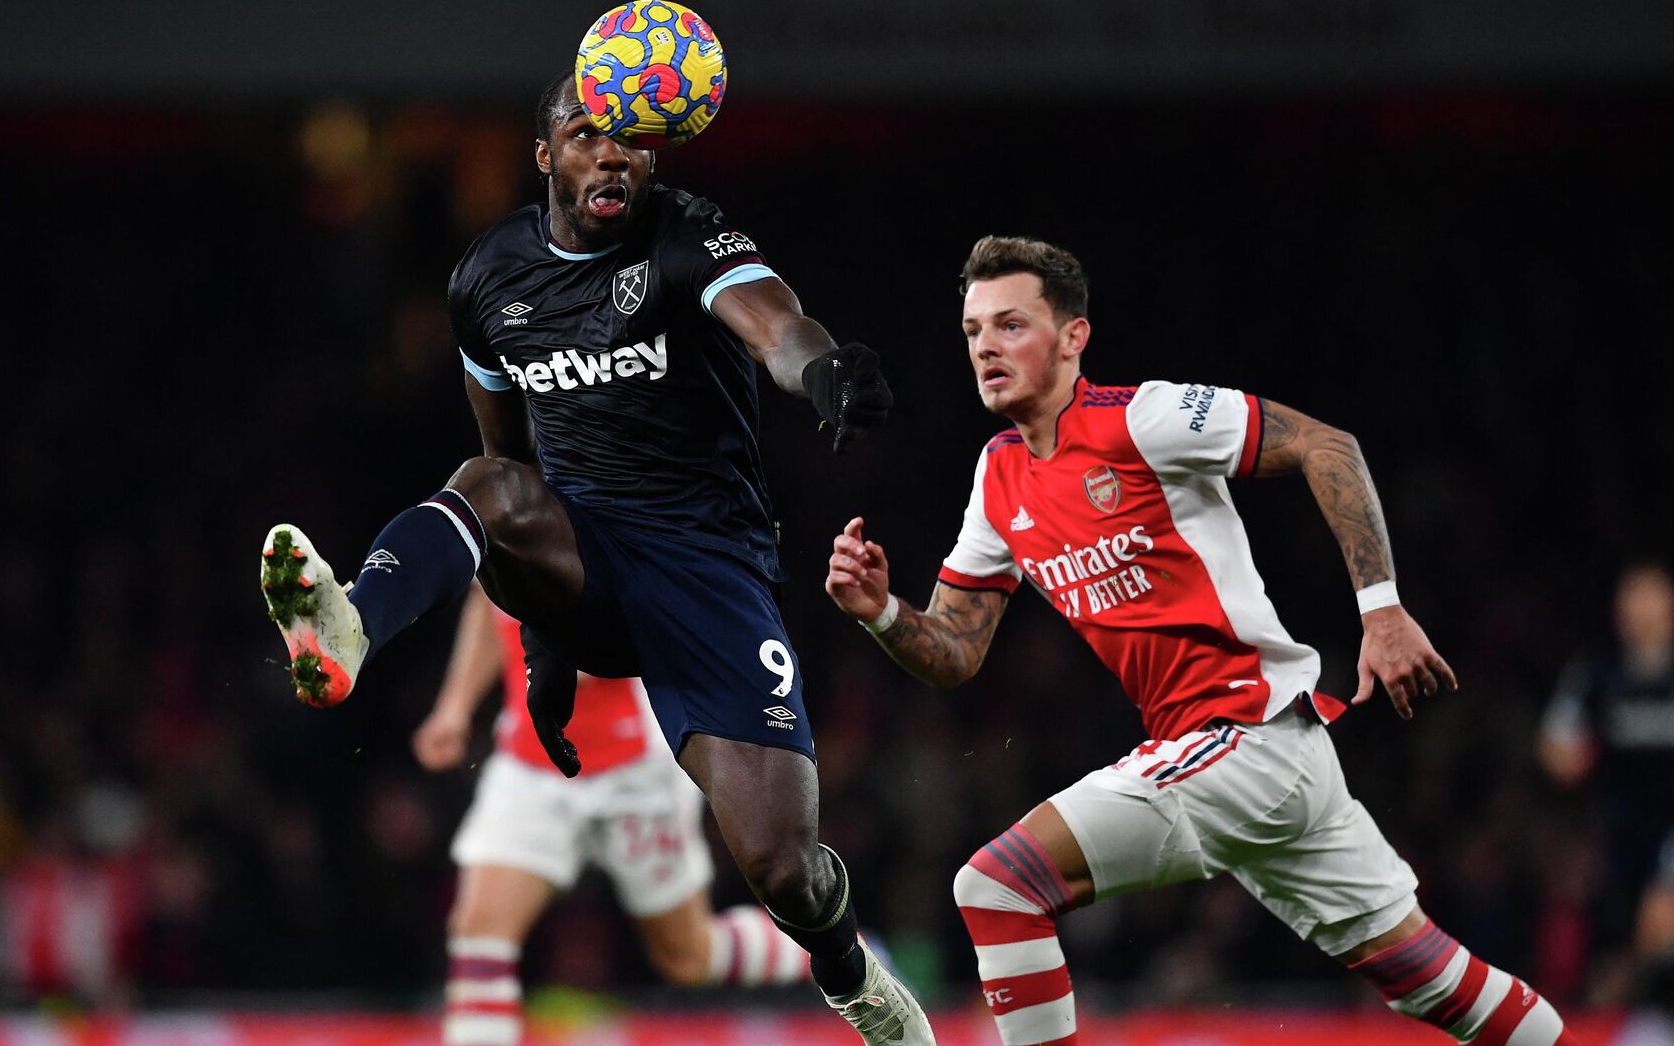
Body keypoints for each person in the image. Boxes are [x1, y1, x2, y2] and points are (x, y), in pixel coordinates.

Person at [260, 73, 932, 1044]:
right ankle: (353, 622)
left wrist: (819, 369)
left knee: (783, 866)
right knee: (483, 484)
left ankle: (851, 976)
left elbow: (774, 324)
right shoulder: (487, 282)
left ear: (653, 157)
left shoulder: (686, 235)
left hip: (708, 577)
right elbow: (510, 463)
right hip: (587, 565)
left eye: (628, 140)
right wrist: (547, 643)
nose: (609, 152)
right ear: (546, 157)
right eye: (584, 136)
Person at [824, 236, 1579, 1046]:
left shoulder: (1143, 418)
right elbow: (957, 649)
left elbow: (1327, 445)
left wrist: (1383, 612)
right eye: (974, 331)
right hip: (1263, 757)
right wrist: (882, 612)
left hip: (1245, 735)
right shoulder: (999, 473)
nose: (986, 347)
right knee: (1426, 977)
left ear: (1074, 337)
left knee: (998, 886)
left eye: (1011, 325)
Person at [413, 584, 809, 1044]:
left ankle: (834, 947)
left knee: (689, 958)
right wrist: (455, 707)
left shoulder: (607, 513)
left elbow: (634, 628)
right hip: (532, 764)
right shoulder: (485, 515)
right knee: (479, 932)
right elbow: (489, 602)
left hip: (635, 771)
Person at [1538, 562, 1674, 952]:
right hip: (1615, 831)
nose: (1642, 610)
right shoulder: (1596, 672)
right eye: (1633, 599)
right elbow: (1554, 747)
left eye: (1652, 598)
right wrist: (1569, 757)